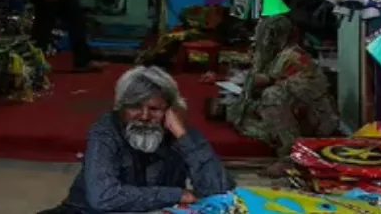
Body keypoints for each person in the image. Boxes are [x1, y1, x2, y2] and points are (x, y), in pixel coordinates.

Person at [40, 66, 236, 213]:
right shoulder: (106, 130)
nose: (144, 116)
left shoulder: (178, 132)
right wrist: (177, 194)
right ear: (121, 108)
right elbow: (103, 197)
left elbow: (220, 190)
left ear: (170, 110)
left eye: (154, 109)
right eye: (135, 106)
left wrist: (183, 135)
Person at [227, 16, 339, 177]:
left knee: (272, 96)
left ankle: (291, 156)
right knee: (239, 112)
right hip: (295, 112)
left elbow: (308, 90)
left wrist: (271, 81)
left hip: (315, 118)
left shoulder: (295, 56)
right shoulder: (273, 56)